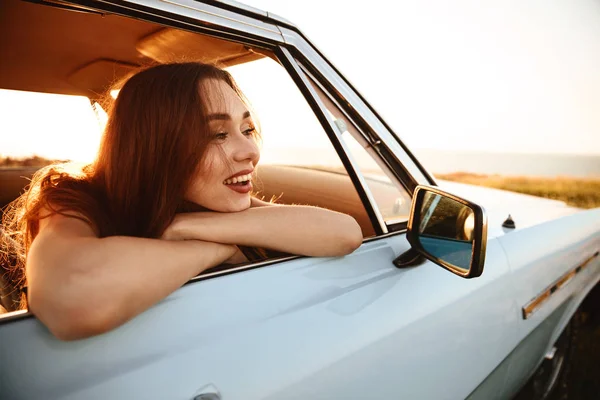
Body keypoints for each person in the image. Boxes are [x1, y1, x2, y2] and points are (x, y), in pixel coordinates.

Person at [0, 62, 362, 340]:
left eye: (247, 129)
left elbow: (344, 232)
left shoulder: (207, 201)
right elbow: (72, 298)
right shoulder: (71, 198)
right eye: (218, 134)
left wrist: (188, 227)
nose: (250, 150)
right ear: (157, 147)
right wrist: (217, 246)